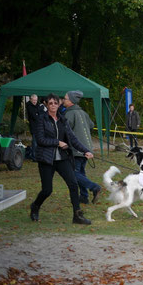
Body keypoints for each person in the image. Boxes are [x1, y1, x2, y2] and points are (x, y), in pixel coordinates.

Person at [30, 93, 94, 225]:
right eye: (50, 103)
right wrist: (57, 142)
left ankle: (77, 215)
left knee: (73, 184)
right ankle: (35, 206)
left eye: (55, 103)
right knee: (47, 190)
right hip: (46, 159)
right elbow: (40, 140)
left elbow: (73, 139)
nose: (53, 105)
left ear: (59, 104)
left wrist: (85, 150)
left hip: (63, 158)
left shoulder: (63, 120)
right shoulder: (41, 119)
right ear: (46, 105)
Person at [63, 90, 102, 205]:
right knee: (81, 172)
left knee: (74, 174)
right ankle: (84, 197)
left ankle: (94, 187)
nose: (63, 100)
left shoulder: (69, 114)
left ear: (71, 101)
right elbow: (91, 125)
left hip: (77, 150)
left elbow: (64, 130)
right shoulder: (83, 113)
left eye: (65, 98)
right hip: (87, 148)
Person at [26, 94, 40, 161]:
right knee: (35, 143)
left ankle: (37, 155)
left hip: (38, 126)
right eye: (34, 100)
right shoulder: (29, 106)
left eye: (36, 100)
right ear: (31, 100)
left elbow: (40, 114)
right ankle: (34, 157)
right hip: (33, 127)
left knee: (38, 142)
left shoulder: (37, 105)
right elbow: (34, 116)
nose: (35, 102)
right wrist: (38, 114)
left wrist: (38, 114)